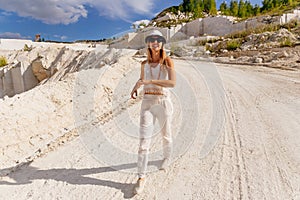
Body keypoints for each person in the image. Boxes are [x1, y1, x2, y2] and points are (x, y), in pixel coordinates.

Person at [130, 30, 176, 194]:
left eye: (158, 39)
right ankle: (141, 177)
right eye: (151, 39)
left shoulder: (168, 61)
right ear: (148, 43)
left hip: (163, 101)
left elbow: (172, 83)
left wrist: (150, 81)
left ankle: (167, 157)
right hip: (147, 103)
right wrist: (136, 86)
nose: (155, 41)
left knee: (166, 134)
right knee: (143, 143)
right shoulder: (144, 64)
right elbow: (143, 79)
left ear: (162, 42)